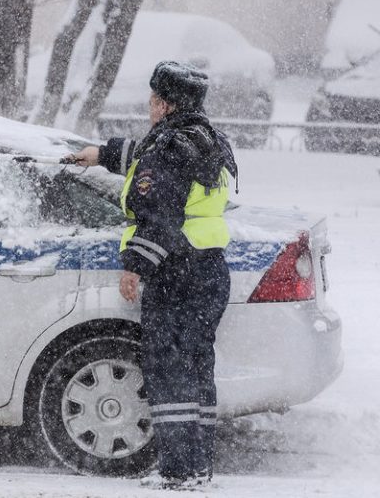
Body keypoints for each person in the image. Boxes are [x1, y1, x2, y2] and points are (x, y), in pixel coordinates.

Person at [69, 60, 236, 489]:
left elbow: (159, 208)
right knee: (196, 368)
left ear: (165, 104)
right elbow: (152, 164)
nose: (149, 108)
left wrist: (134, 266)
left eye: (152, 101)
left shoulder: (169, 148)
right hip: (208, 270)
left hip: (176, 272)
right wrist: (102, 154)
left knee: (169, 369)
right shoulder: (207, 139)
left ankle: (178, 472)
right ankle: (197, 467)